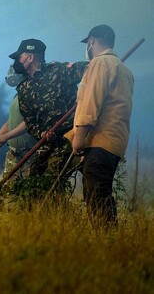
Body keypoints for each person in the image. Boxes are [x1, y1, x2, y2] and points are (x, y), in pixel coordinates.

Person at [71, 25, 134, 225]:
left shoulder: (99, 64)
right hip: (115, 141)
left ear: (91, 40)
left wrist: (79, 138)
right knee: (100, 193)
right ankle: (106, 242)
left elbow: (91, 103)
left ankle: (107, 244)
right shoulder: (124, 70)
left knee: (97, 197)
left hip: (99, 140)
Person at [7, 38, 87, 187]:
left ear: (30, 58)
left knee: (51, 181)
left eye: (20, 57)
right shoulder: (23, 88)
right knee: (34, 182)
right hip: (47, 142)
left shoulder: (59, 71)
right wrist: (42, 133)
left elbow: (91, 69)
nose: (16, 62)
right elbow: (30, 123)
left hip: (70, 137)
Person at [0, 95, 38, 180]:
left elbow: (30, 121)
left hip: (30, 154)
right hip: (13, 154)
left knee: (30, 189)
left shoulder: (34, 93)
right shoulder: (17, 96)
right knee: (8, 190)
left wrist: (6, 137)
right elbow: (10, 122)